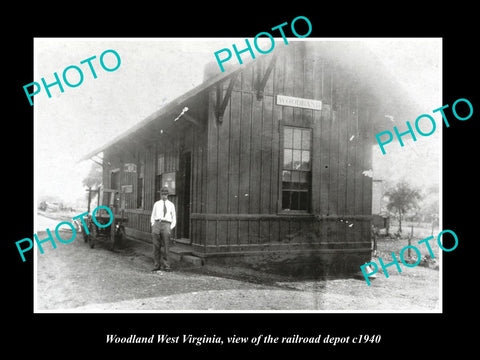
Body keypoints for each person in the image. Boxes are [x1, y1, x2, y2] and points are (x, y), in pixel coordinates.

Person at [150, 187, 176, 272]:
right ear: (160, 194)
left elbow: (174, 218)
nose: (164, 196)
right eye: (162, 194)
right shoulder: (156, 204)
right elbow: (153, 215)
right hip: (157, 224)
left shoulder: (171, 205)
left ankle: (167, 265)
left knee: (166, 246)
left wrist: (170, 227)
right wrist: (153, 225)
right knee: (156, 246)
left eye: (165, 194)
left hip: (166, 224)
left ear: (168, 195)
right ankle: (156, 265)